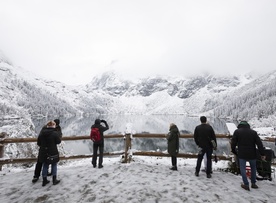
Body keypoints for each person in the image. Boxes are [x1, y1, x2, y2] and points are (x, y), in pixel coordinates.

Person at [231, 121, 265, 191]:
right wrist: (262, 153)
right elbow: (259, 144)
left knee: (243, 169)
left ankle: (246, 184)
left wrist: (234, 150)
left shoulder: (237, 132)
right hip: (252, 153)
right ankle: (253, 183)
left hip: (242, 153)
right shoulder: (253, 132)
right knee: (253, 168)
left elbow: (233, 142)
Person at [32, 119, 62, 183]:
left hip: (43, 150)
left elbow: (39, 142)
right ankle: (53, 178)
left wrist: (43, 146)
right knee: (53, 164)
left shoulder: (43, 131)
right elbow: (58, 140)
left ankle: (42, 178)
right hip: (52, 150)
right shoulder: (55, 131)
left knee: (44, 163)